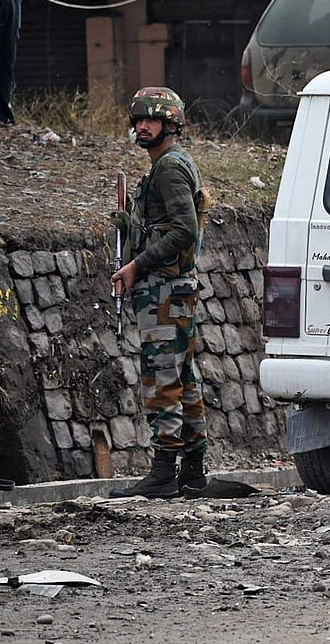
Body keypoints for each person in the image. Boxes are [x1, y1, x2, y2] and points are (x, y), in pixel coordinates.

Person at [110, 87, 209, 498]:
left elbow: (185, 229)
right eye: (138, 120)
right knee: (184, 377)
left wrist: (136, 264)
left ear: (171, 125)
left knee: (162, 378)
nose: (143, 126)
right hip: (173, 289)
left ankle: (165, 472)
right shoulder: (168, 166)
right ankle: (193, 472)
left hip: (165, 291)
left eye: (152, 120)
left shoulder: (169, 167)